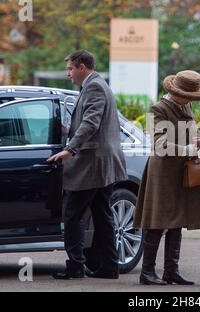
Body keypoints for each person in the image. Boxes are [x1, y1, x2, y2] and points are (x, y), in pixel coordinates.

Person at [48, 50, 127, 279]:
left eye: (71, 69)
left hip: (93, 163)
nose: (68, 73)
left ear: (82, 66)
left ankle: (75, 267)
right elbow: (90, 122)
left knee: (72, 215)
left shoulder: (94, 87)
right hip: (101, 162)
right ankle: (110, 267)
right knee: (102, 216)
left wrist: (69, 149)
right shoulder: (96, 85)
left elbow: (91, 123)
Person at [134, 70, 200, 285]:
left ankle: (171, 271)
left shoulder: (185, 105)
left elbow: (192, 130)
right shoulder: (158, 109)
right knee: (156, 223)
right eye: (189, 96)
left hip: (182, 171)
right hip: (162, 173)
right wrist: (188, 147)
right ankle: (147, 272)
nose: (191, 100)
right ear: (176, 92)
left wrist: (199, 139)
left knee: (178, 222)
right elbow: (159, 144)